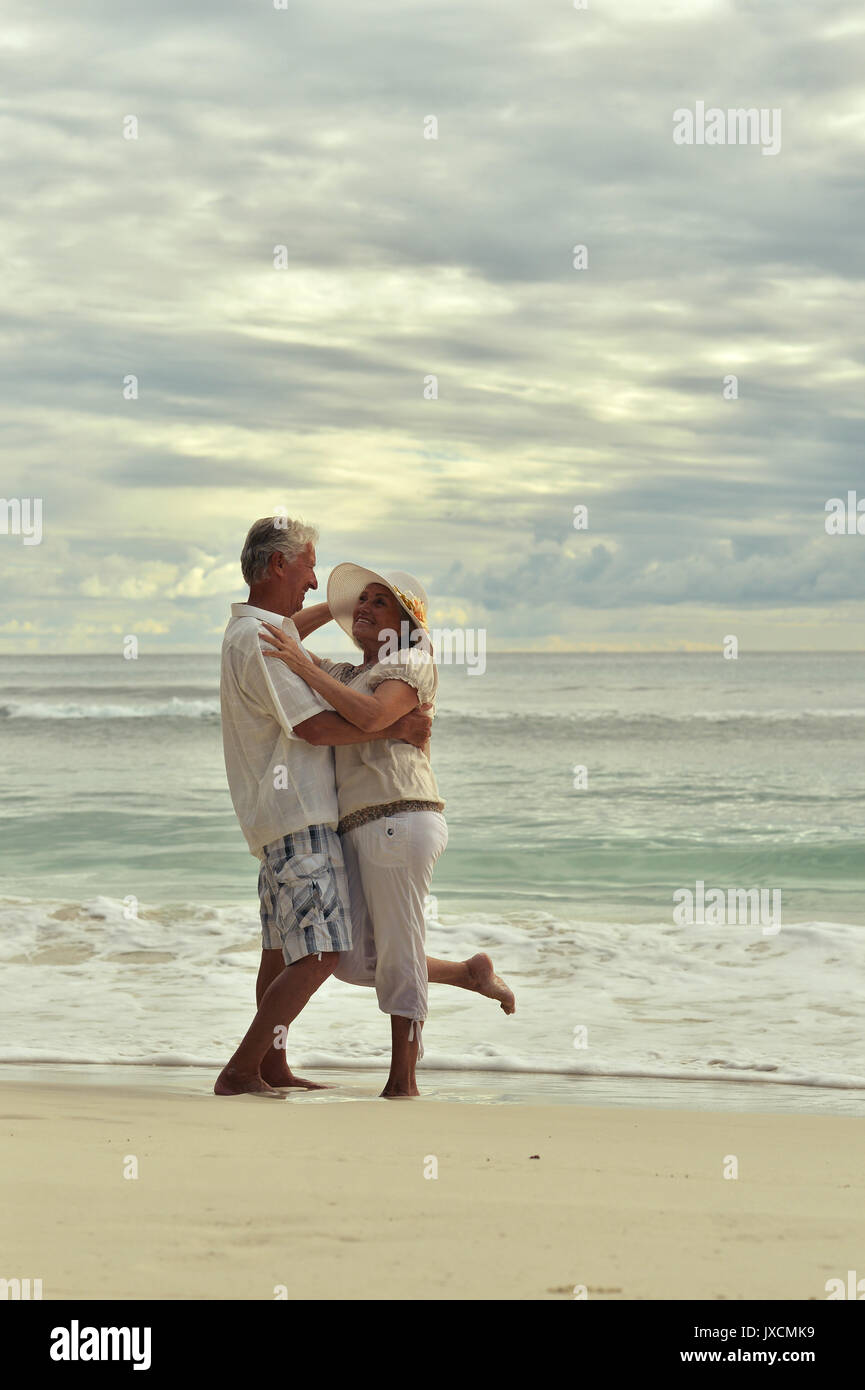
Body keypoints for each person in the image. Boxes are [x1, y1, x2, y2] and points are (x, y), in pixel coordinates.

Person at [260, 562, 514, 1098]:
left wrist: (308, 672)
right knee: (351, 959)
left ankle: (403, 1082)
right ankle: (468, 973)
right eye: (363, 601)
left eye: (381, 602)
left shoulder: (411, 661)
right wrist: (336, 607)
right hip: (361, 825)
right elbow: (283, 638)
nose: (367, 608)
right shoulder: (351, 674)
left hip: (401, 814)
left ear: (405, 624)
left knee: (397, 950)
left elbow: (373, 717)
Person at [214, 518, 431, 1096]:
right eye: (310, 566)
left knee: (280, 946)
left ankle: (270, 1065)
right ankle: (241, 1070)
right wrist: (395, 729)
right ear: (280, 565)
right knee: (323, 949)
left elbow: (299, 643)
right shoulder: (262, 640)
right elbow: (314, 729)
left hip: (275, 814)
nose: (314, 582)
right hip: (300, 812)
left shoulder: (255, 633)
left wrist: (337, 611)